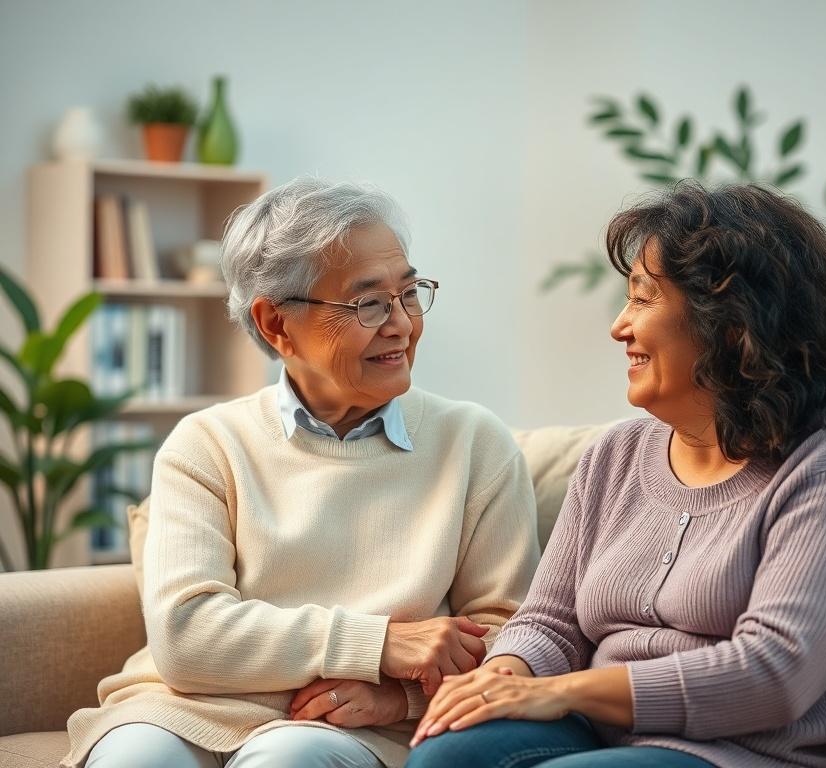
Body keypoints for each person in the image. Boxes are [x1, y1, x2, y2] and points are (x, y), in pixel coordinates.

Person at [407, 182, 826, 768]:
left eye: (643, 299)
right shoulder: (616, 454)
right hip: (601, 738)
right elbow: (550, 621)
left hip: (748, 755)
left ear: (730, 323)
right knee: (445, 755)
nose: (619, 327)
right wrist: (501, 678)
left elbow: (775, 671)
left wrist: (557, 692)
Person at [62, 178, 540, 768]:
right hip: (184, 706)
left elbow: (514, 633)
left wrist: (400, 696)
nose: (401, 324)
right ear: (275, 325)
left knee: (289, 759)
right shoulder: (207, 443)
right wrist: (378, 644)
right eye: (368, 303)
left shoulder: (474, 443)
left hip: (346, 728)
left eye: (409, 293)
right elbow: (186, 637)